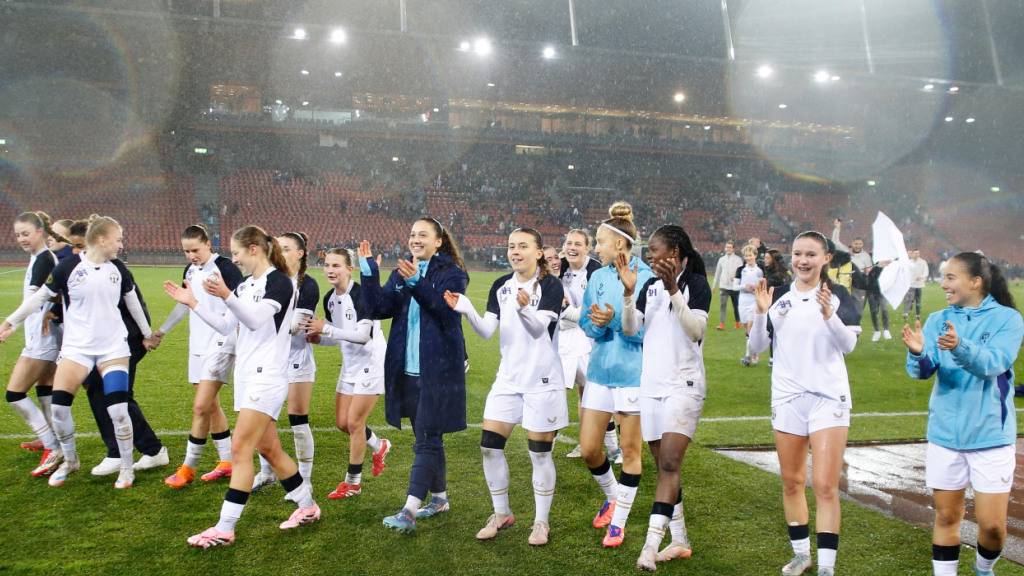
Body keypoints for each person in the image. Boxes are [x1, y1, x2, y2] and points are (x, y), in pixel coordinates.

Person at [165, 226, 320, 548]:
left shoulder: (280, 281)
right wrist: (193, 302)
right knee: (270, 449)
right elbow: (227, 324)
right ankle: (308, 507)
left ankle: (225, 527)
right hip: (248, 376)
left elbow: (255, 320)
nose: (233, 260)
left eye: (235, 253)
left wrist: (226, 295)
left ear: (253, 249)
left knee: (239, 449)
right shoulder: (248, 284)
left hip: (267, 377)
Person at [1, 215, 158, 489]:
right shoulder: (67, 268)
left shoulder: (118, 269)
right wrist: (10, 322)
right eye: (118, 239)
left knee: (119, 408)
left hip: (113, 349)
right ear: (101, 239)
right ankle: (70, 460)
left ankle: (125, 467)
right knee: (60, 408)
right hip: (77, 350)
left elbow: (132, 302)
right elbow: (38, 298)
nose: (120, 245)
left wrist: (147, 334)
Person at [748, 231, 861, 576]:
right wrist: (760, 313)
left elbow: (848, 346)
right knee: (792, 480)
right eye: (798, 253)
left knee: (825, 485)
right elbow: (757, 348)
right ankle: (801, 554)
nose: (802, 260)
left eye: (811, 254)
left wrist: (829, 314)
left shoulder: (839, 295)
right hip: (787, 398)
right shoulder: (778, 296)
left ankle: (826, 567)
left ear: (826, 258)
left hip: (828, 398)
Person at [902, 252, 1022, 576]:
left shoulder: (1008, 320)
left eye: (951, 278)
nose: (943, 284)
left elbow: (994, 363)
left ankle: (984, 569)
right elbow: (924, 370)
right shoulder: (937, 319)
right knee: (945, 517)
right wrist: (917, 353)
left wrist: (959, 346)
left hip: (990, 436)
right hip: (945, 435)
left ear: (976, 281)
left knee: (993, 527)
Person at [447, 228, 566, 546]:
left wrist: (525, 307)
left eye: (523, 246)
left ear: (539, 252)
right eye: (512, 246)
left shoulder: (551, 285)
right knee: (489, 445)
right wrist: (466, 308)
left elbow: (540, 329)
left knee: (539, 454)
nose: (515, 251)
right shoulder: (501, 285)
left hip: (542, 381)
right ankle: (501, 513)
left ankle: (541, 523)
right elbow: (487, 331)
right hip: (509, 379)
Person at [360, 217, 469, 535]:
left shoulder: (453, 273)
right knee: (427, 436)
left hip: (438, 370)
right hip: (407, 369)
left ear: (438, 242)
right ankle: (439, 498)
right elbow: (378, 307)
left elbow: (443, 310)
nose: (415, 239)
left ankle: (409, 509)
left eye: (423, 235)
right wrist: (368, 271)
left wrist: (414, 282)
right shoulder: (404, 269)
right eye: (412, 234)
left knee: (426, 440)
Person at [620, 225, 711, 570]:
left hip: (683, 387)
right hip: (652, 387)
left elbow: (696, 331)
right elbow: (631, 329)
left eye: (654, 250)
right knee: (664, 468)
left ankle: (649, 545)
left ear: (674, 254)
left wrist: (674, 290)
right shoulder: (648, 287)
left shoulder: (697, 285)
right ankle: (681, 540)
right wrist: (629, 296)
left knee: (670, 463)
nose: (649, 256)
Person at [578, 201, 653, 548]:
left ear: (620, 244)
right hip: (599, 371)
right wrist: (596, 325)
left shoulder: (647, 277)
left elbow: (646, 333)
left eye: (600, 241)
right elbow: (584, 322)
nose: (596, 247)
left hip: (632, 374)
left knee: (630, 450)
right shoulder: (597, 276)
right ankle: (612, 497)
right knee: (590, 448)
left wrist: (618, 325)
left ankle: (619, 523)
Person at [158, 224, 241, 489]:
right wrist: (161, 331)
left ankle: (188, 468)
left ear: (208, 243)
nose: (191, 255)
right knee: (211, 404)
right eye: (186, 251)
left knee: (201, 406)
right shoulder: (190, 270)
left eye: (195, 249)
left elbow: (240, 305)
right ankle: (227, 462)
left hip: (221, 343)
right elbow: (185, 304)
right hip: (197, 344)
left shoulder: (226, 268)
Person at [305, 248, 392, 500]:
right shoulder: (330, 299)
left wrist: (327, 330)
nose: (330, 270)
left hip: (371, 363)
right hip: (350, 365)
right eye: (327, 265)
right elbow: (342, 338)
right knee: (342, 423)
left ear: (349, 269)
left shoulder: (362, 294)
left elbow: (363, 337)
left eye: (336, 265)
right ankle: (379, 444)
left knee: (354, 423)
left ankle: (352, 483)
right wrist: (319, 338)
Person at [248, 232, 319, 491]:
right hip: (268, 362)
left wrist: (260, 320)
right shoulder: (268, 280)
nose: (280, 252)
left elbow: (295, 327)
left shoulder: (307, 285)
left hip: (296, 360)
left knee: (298, 420)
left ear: (300, 253)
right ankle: (267, 472)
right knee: (262, 419)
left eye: (286, 248)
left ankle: (306, 481)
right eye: (277, 247)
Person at [3, 212, 63, 476]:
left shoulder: (44, 260)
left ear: (40, 231)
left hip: (42, 339)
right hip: (44, 336)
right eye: (18, 234)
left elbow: (34, 301)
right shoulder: (40, 258)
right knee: (45, 389)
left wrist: (8, 324)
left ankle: (52, 446)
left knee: (14, 394)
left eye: (26, 233)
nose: (21, 239)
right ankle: (53, 440)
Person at [557, 229, 619, 462]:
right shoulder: (559, 266)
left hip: (592, 338)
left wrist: (567, 312)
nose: (572, 247)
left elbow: (596, 311)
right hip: (565, 340)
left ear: (587, 247)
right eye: (568, 242)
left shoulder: (596, 271)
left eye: (577, 244)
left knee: (593, 393)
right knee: (574, 391)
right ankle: (585, 443)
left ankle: (614, 447)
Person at [831, 219, 872, 314]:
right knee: (842, 304)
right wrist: (837, 228)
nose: (858, 246)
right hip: (846, 281)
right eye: (856, 244)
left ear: (863, 245)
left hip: (859, 283)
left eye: (860, 244)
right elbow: (835, 242)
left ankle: (855, 323)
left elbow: (869, 270)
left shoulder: (866, 256)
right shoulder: (846, 252)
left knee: (858, 306)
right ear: (852, 244)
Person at [737, 244, 764, 366]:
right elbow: (735, 286)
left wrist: (756, 288)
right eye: (746, 255)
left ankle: (748, 356)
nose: (748, 257)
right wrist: (745, 287)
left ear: (755, 256)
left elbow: (762, 286)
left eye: (750, 255)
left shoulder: (759, 271)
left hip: (754, 301)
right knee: (747, 330)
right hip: (742, 302)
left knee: (750, 329)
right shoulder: (740, 270)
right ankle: (754, 351)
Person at [711, 241, 742, 330]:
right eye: (727, 247)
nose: (728, 249)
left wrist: (736, 277)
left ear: (733, 249)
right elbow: (717, 273)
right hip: (723, 286)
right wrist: (714, 286)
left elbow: (740, 272)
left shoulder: (738, 259)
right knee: (722, 305)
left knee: (736, 305)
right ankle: (721, 324)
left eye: (730, 247)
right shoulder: (721, 259)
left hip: (734, 286)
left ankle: (737, 323)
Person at [902, 249, 928, 323]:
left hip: (919, 285)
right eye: (915, 253)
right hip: (911, 284)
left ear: (919, 254)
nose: (916, 255)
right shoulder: (909, 262)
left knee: (918, 300)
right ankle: (906, 312)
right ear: (912, 254)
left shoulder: (923, 262)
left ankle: (917, 315)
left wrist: (921, 277)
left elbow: (926, 271)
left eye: (917, 253)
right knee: (909, 299)